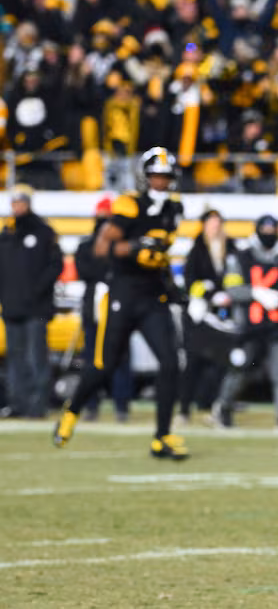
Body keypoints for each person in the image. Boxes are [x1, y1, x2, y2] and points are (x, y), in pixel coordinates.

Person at [53, 147, 188, 460]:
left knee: (170, 363)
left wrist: (172, 286)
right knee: (103, 366)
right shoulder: (129, 204)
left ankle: (162, 436)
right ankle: (71, 411)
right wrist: (135, 246)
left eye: (166, 176)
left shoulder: (174, 208)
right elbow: (102, 248)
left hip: (153, 296)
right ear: (144, 176)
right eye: (155, 175)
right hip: (123, 294)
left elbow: (161, 255)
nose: (160, 181)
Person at [211, 216, 278, 431]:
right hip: (249, 327)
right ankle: (224, 408)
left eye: (272, 230)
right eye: (265, 230)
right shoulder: (240, 257)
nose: (269, 234)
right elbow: (231, 289)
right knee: (241, 370)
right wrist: (255, 292)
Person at [0, 185, 63, 419]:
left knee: (36, 357)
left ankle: (37, 405)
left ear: (28, 204)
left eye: (21, 203)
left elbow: (56, 265)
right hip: (12, 306)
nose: (17, 207)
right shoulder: (6, 234)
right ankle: (17, 404)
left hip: (36, 307)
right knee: (15, 358)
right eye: (14, 203)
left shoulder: (43, 232)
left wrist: (37, 291)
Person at [76, 196, 133, 422]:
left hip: (118, 308)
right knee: (92, 358)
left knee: (120, 358)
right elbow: (85, 271)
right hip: (94, 309)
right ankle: (91, 405)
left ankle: (121, 405)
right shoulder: (86, 246)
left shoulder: (122, 247)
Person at [179, 209, 235, 424]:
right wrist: (210, 294)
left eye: (218, 223)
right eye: (211, 223)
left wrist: (228, 294)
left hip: (223, 314)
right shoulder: (197, 250)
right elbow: (190, 282)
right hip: (201, 314)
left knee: (222, 363)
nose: (215, 227)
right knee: (193, 362)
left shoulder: (230, 248)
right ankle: (184, 409)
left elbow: (236, 276)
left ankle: (215, 406)